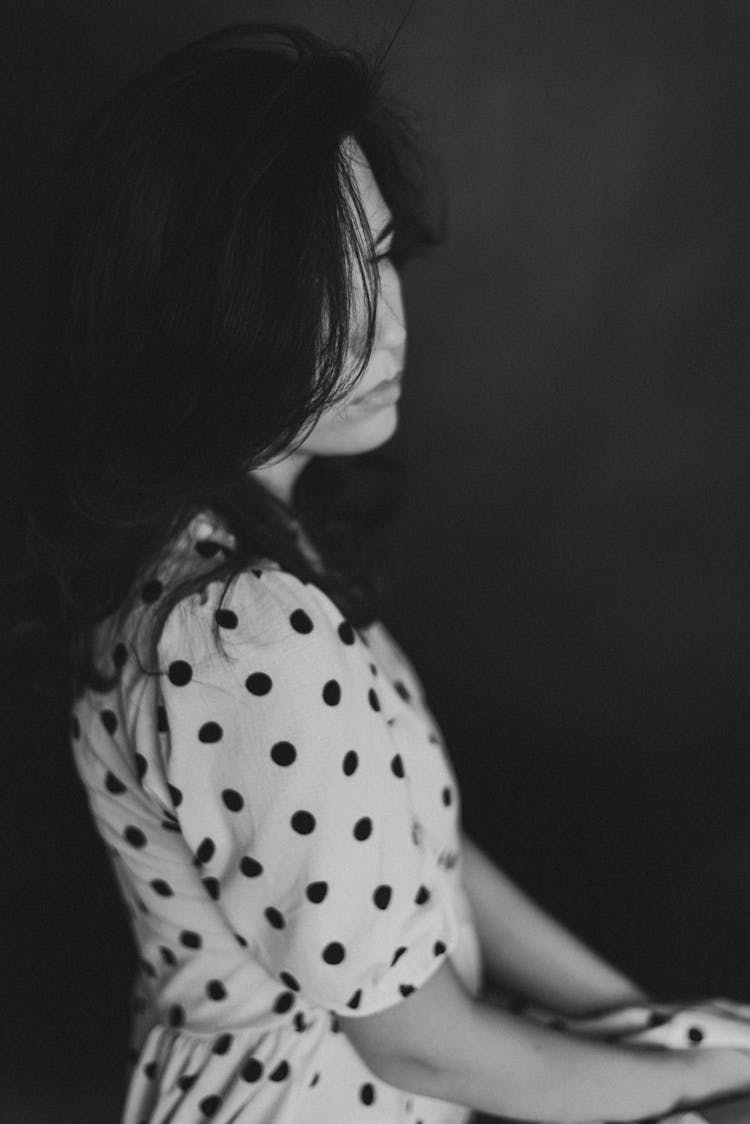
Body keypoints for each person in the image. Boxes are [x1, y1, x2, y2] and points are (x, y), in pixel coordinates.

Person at [13, 19, 750, 1124]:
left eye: (380, 256)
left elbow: (422, 855)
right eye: (318, 280)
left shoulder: (231, 551)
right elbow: (422, 1045)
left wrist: (653, 1022)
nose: (384, 324)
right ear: (199, 307)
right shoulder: (240, 627)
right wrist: (692, 1078)